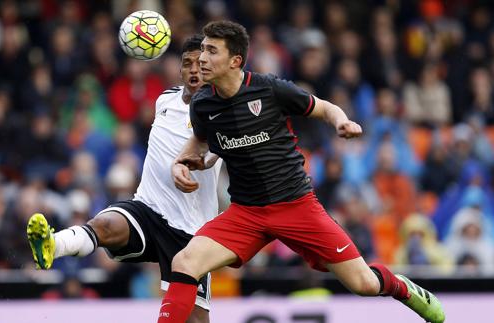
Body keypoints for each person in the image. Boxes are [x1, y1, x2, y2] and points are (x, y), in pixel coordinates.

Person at [158, 21, 445, 323]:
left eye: (211, 51)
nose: (201, 58)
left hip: (297, 206)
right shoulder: (203, 104)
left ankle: (403, 288)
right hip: (246, 213)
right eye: (202, 49)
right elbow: (200, 143)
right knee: (185, 261)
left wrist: (341, 122)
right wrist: (182, 162)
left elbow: (323, 108)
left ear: (235, 61)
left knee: (365, 284)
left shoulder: (269, 89)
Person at [27, 35, 220, 323]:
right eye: (187, 63)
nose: (194, 70)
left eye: (200, 64)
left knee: (195, 319)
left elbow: (214, 151)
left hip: (189, 231)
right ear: (179, 69)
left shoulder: (222, 111)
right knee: (104, 224)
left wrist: (202, 161)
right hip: (148, 209)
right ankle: (53, 246)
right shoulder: (165, 99)